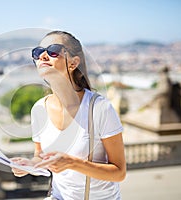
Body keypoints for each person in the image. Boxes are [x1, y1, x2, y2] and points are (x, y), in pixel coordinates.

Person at [11, 30, 126, 200]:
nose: (43, 56)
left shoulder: (100, 108)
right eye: (37, 52)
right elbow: (41, 157)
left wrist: (72, 163)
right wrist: (30, 165)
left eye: (53, 51)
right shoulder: (39, 109)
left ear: (73, 63)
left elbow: (119, 172)